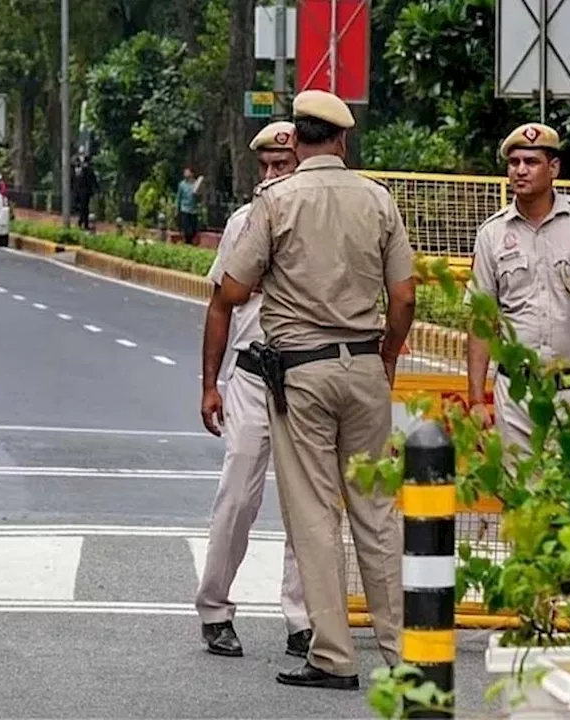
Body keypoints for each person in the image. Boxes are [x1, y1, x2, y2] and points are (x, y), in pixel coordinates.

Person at [217, 90, 416, 690]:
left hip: (299, 374)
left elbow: (233, 290)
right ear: (343, 142)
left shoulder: (278, 200)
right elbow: (404, 297)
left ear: (297, 143)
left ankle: (332, 656)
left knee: (313, 514)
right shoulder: (378, 199)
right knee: (376, 512)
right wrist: (385, 355)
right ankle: (401, 653)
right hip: (365, 367)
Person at [197, 120, 310, 660]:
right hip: (248, 376)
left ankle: (302, 620)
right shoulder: (243, 222)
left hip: (306, 379)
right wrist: (210, 386)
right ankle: (215, 609)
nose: (271, 175)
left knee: (305, 507)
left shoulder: (319, 222)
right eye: (264, 166)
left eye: (282, 166)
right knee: (237, 497)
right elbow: (219, 306)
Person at [466, 122, 570, 452]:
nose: (520, 171)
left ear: (553, 167)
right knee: (517, 499)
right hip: (515, 397)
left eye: (531, 162)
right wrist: (475, 399)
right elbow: (481, 320)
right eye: (514, 163)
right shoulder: (492, 234)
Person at [177, 168, 204, 245]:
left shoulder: (196, 184)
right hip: (184, 209)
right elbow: (179, 197)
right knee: (186, 228)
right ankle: (187, 243)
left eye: (187, 172)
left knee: (193, 229)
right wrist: (177, 208)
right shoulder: (182, 185)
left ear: (192, 174)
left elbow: (200, 197)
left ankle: (191, 242)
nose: (185, 174)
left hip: (193, 210)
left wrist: (198, 193)